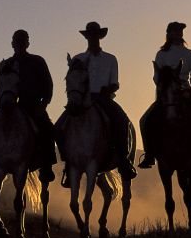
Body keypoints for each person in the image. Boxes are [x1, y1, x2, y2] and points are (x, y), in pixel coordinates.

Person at [138, 21, 191, 168]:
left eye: (180, 31)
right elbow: (156, 76)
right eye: (175, 31)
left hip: (185, 92)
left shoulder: (190, 54)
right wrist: (165, 90)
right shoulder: (161, 54)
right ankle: (149, 154)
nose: (178, 33)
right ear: (169, 34)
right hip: (166, 95)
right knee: (144, 120)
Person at [59, 21, 138, 186]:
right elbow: (72, 80)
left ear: (99, 37)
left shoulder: (110, 59)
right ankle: (68, 164)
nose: (93, 38)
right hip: (81, 99)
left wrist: (107, 89)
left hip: (104, 98)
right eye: (90, 35)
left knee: (122, 122)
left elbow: (115, 83)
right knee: (58, 127)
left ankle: (124, 162)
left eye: (95, 35)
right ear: (87, 37)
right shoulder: (78, 59)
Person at [0, 29, 57, 182]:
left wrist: (43, 104)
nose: (19, 44)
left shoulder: (38, 61)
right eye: (17, 41)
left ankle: (47, 166)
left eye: (22, 41)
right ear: (12, 43)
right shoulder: (6, 63)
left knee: (47, 128)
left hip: (32, 104)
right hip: (8, 104)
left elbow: (48, 85)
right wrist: (2, 104)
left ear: (27, 43)